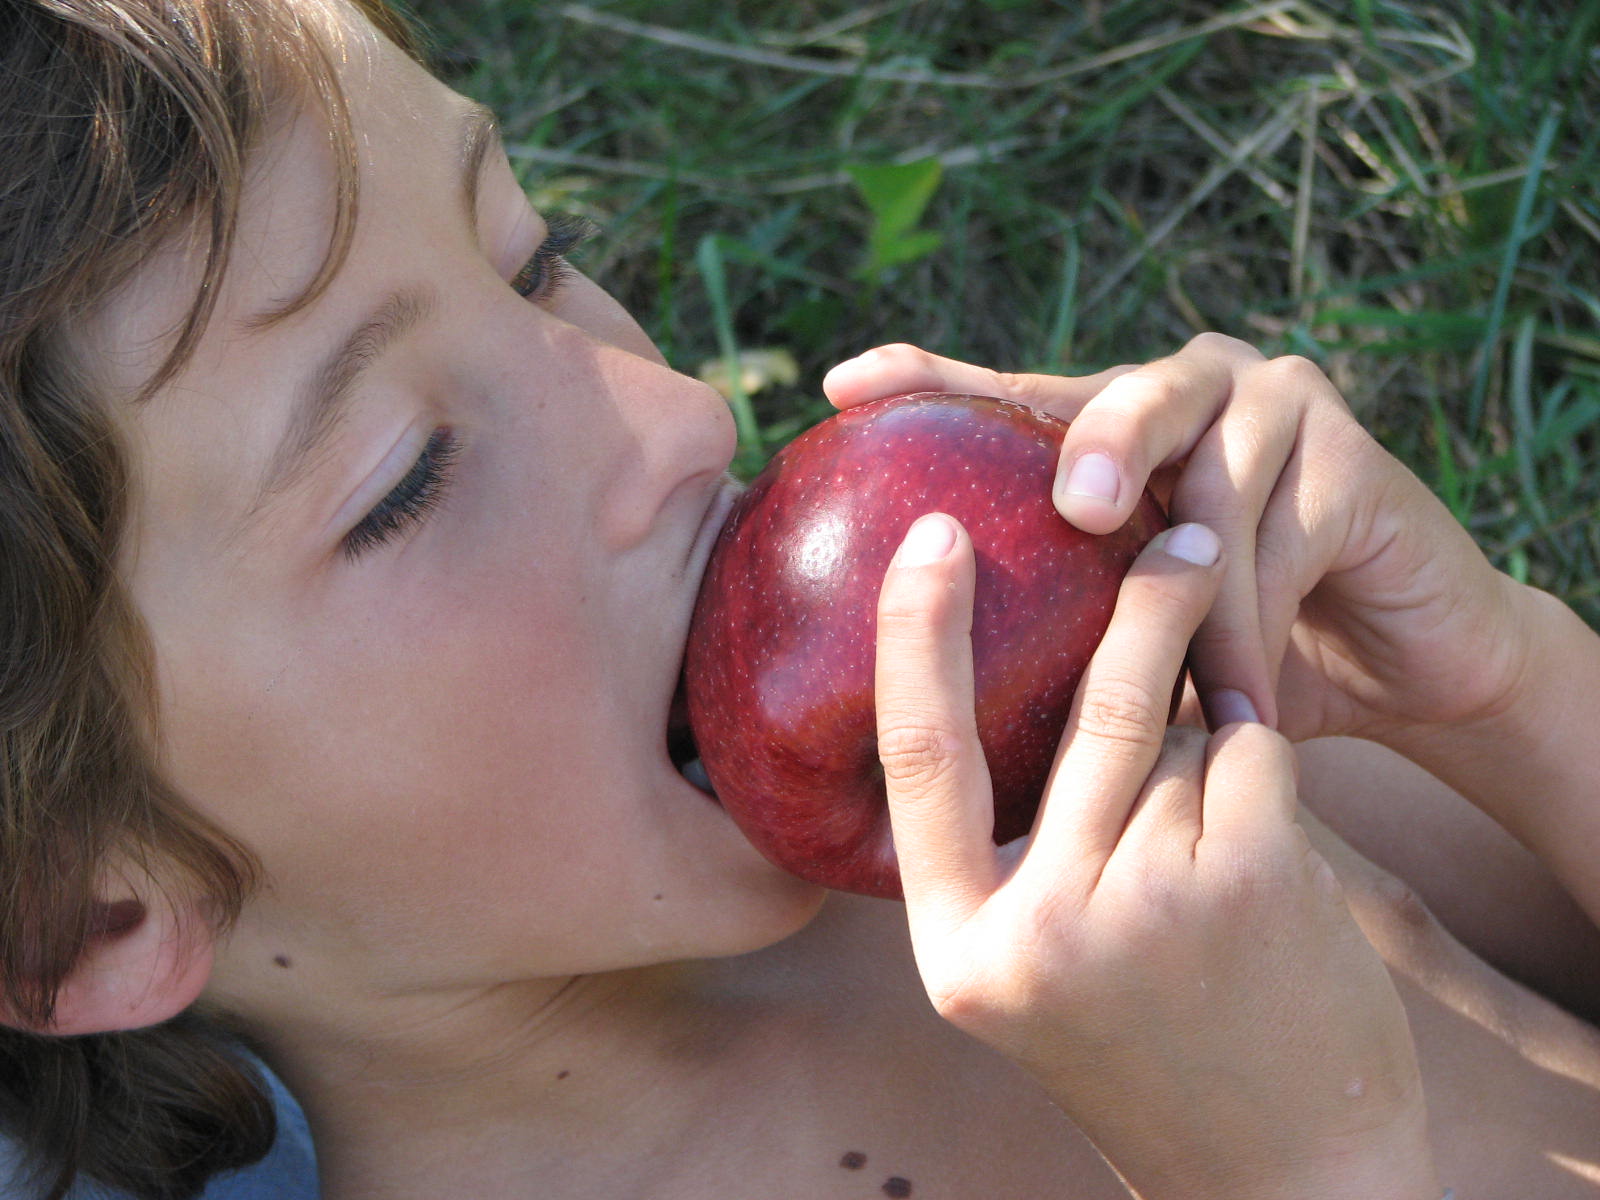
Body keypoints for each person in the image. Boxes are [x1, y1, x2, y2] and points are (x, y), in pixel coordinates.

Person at [0, 2, 1596, 1199]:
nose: (679, 417)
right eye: (406, 478)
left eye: (534, 257)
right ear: (89, 911)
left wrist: (1503, 689)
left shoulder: (1052, 760)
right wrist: (1320, 1166)